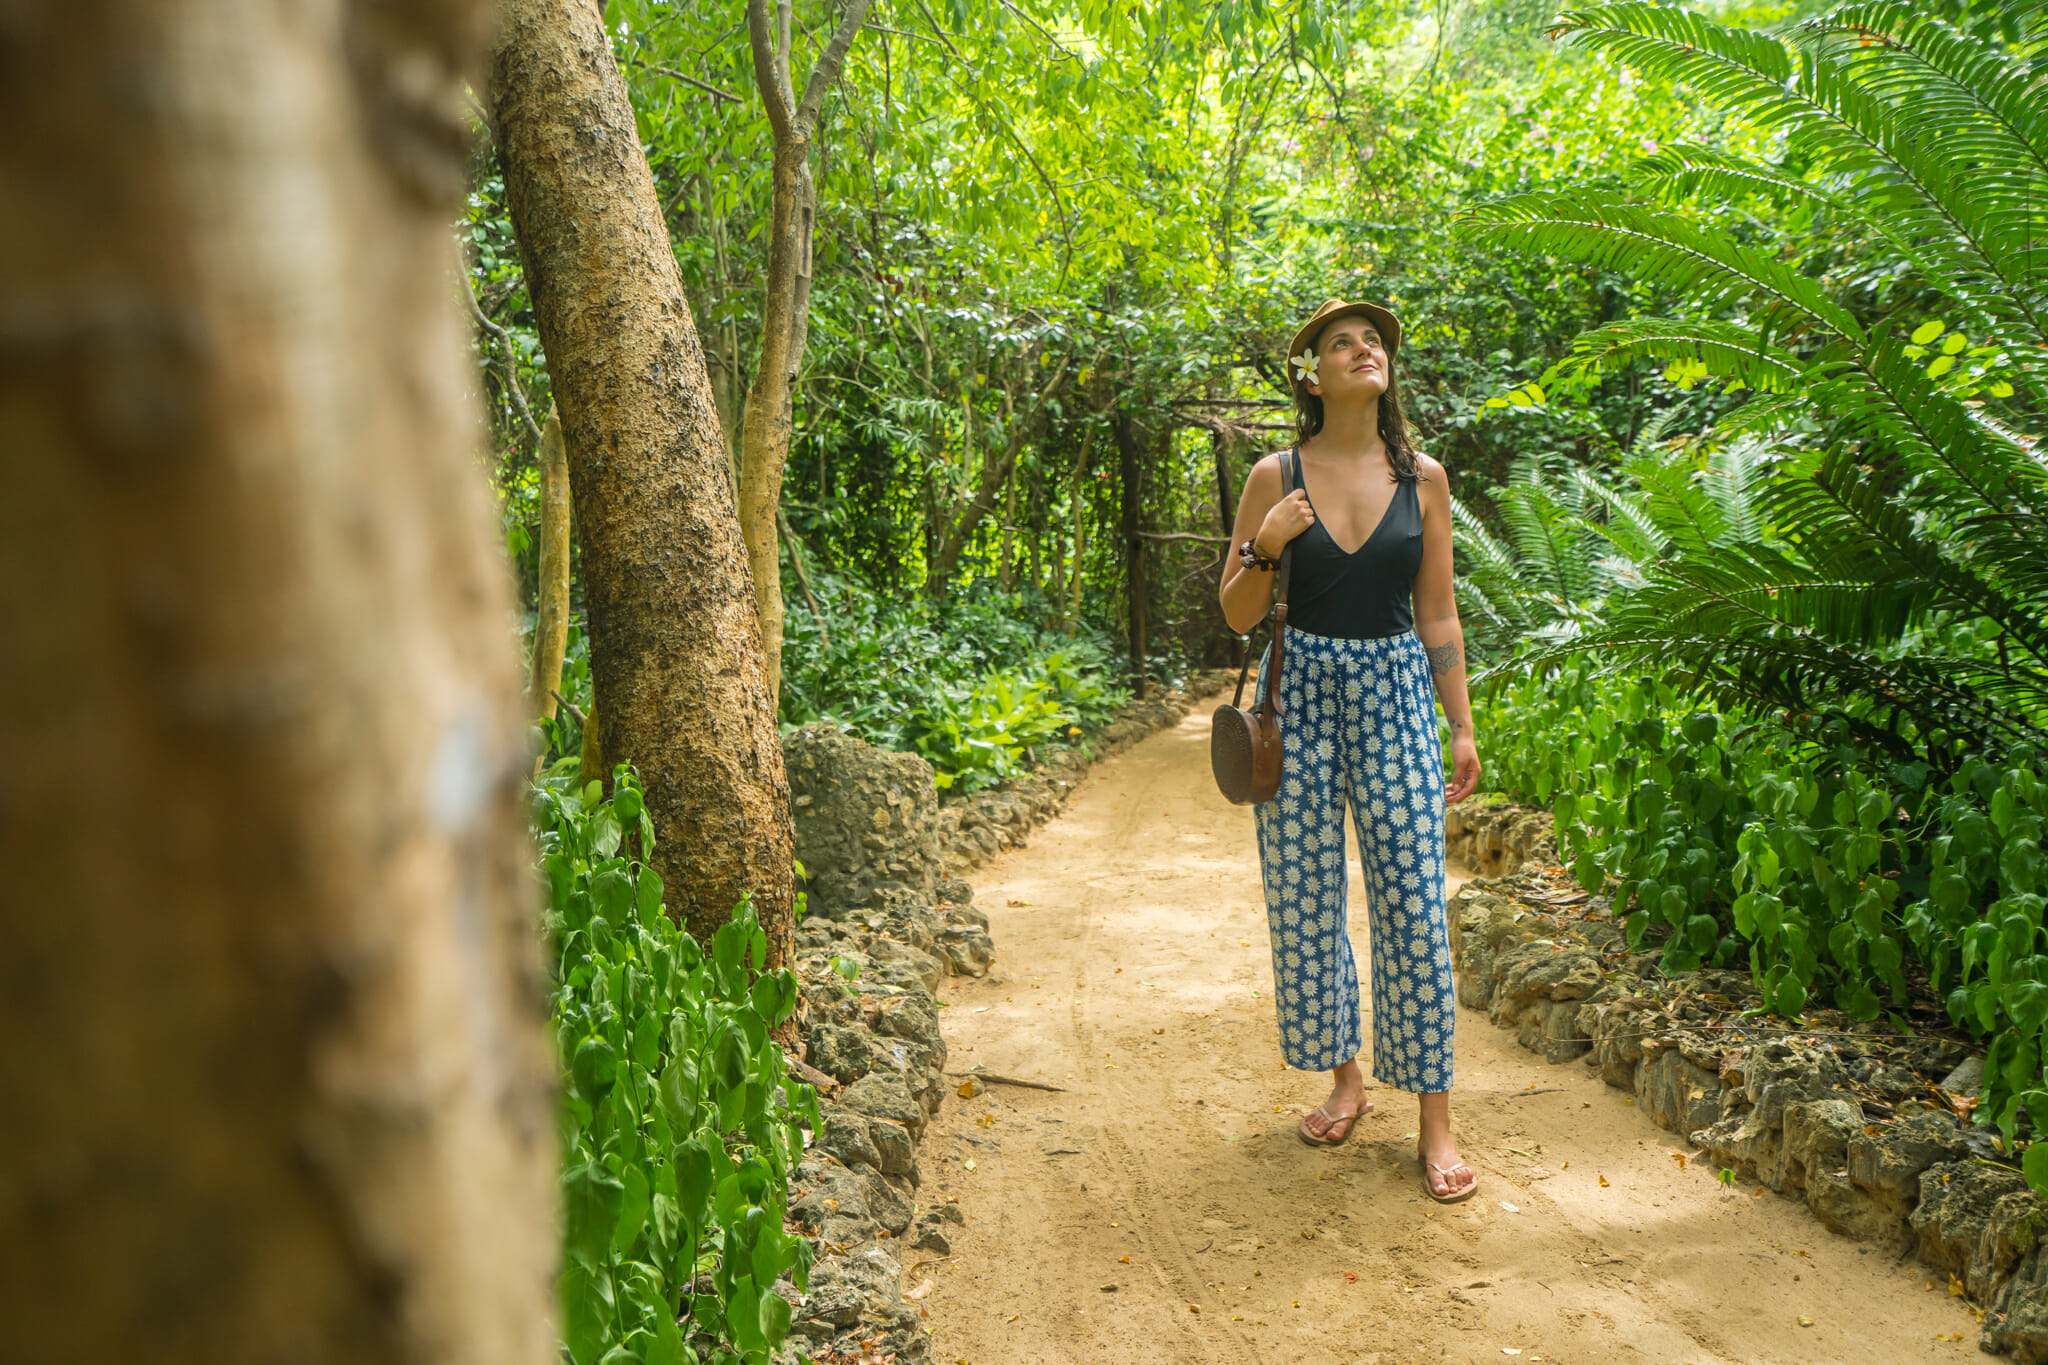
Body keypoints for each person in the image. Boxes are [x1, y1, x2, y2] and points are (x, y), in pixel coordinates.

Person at [1216, 298, 1483, 1203]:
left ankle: (1434, 1119)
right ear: (1312, 373)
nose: (1364, 349)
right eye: (1342, 341)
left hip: (1396, 691)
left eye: (1374, 341)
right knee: (1305, 896)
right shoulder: (1274, 474)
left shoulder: (1426, 478)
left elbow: (1438, 611)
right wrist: (1266, 544)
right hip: (1298, 699)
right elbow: (1235, 612)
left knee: (1412, 897)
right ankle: (1345, 1079)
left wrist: (1462, 723)